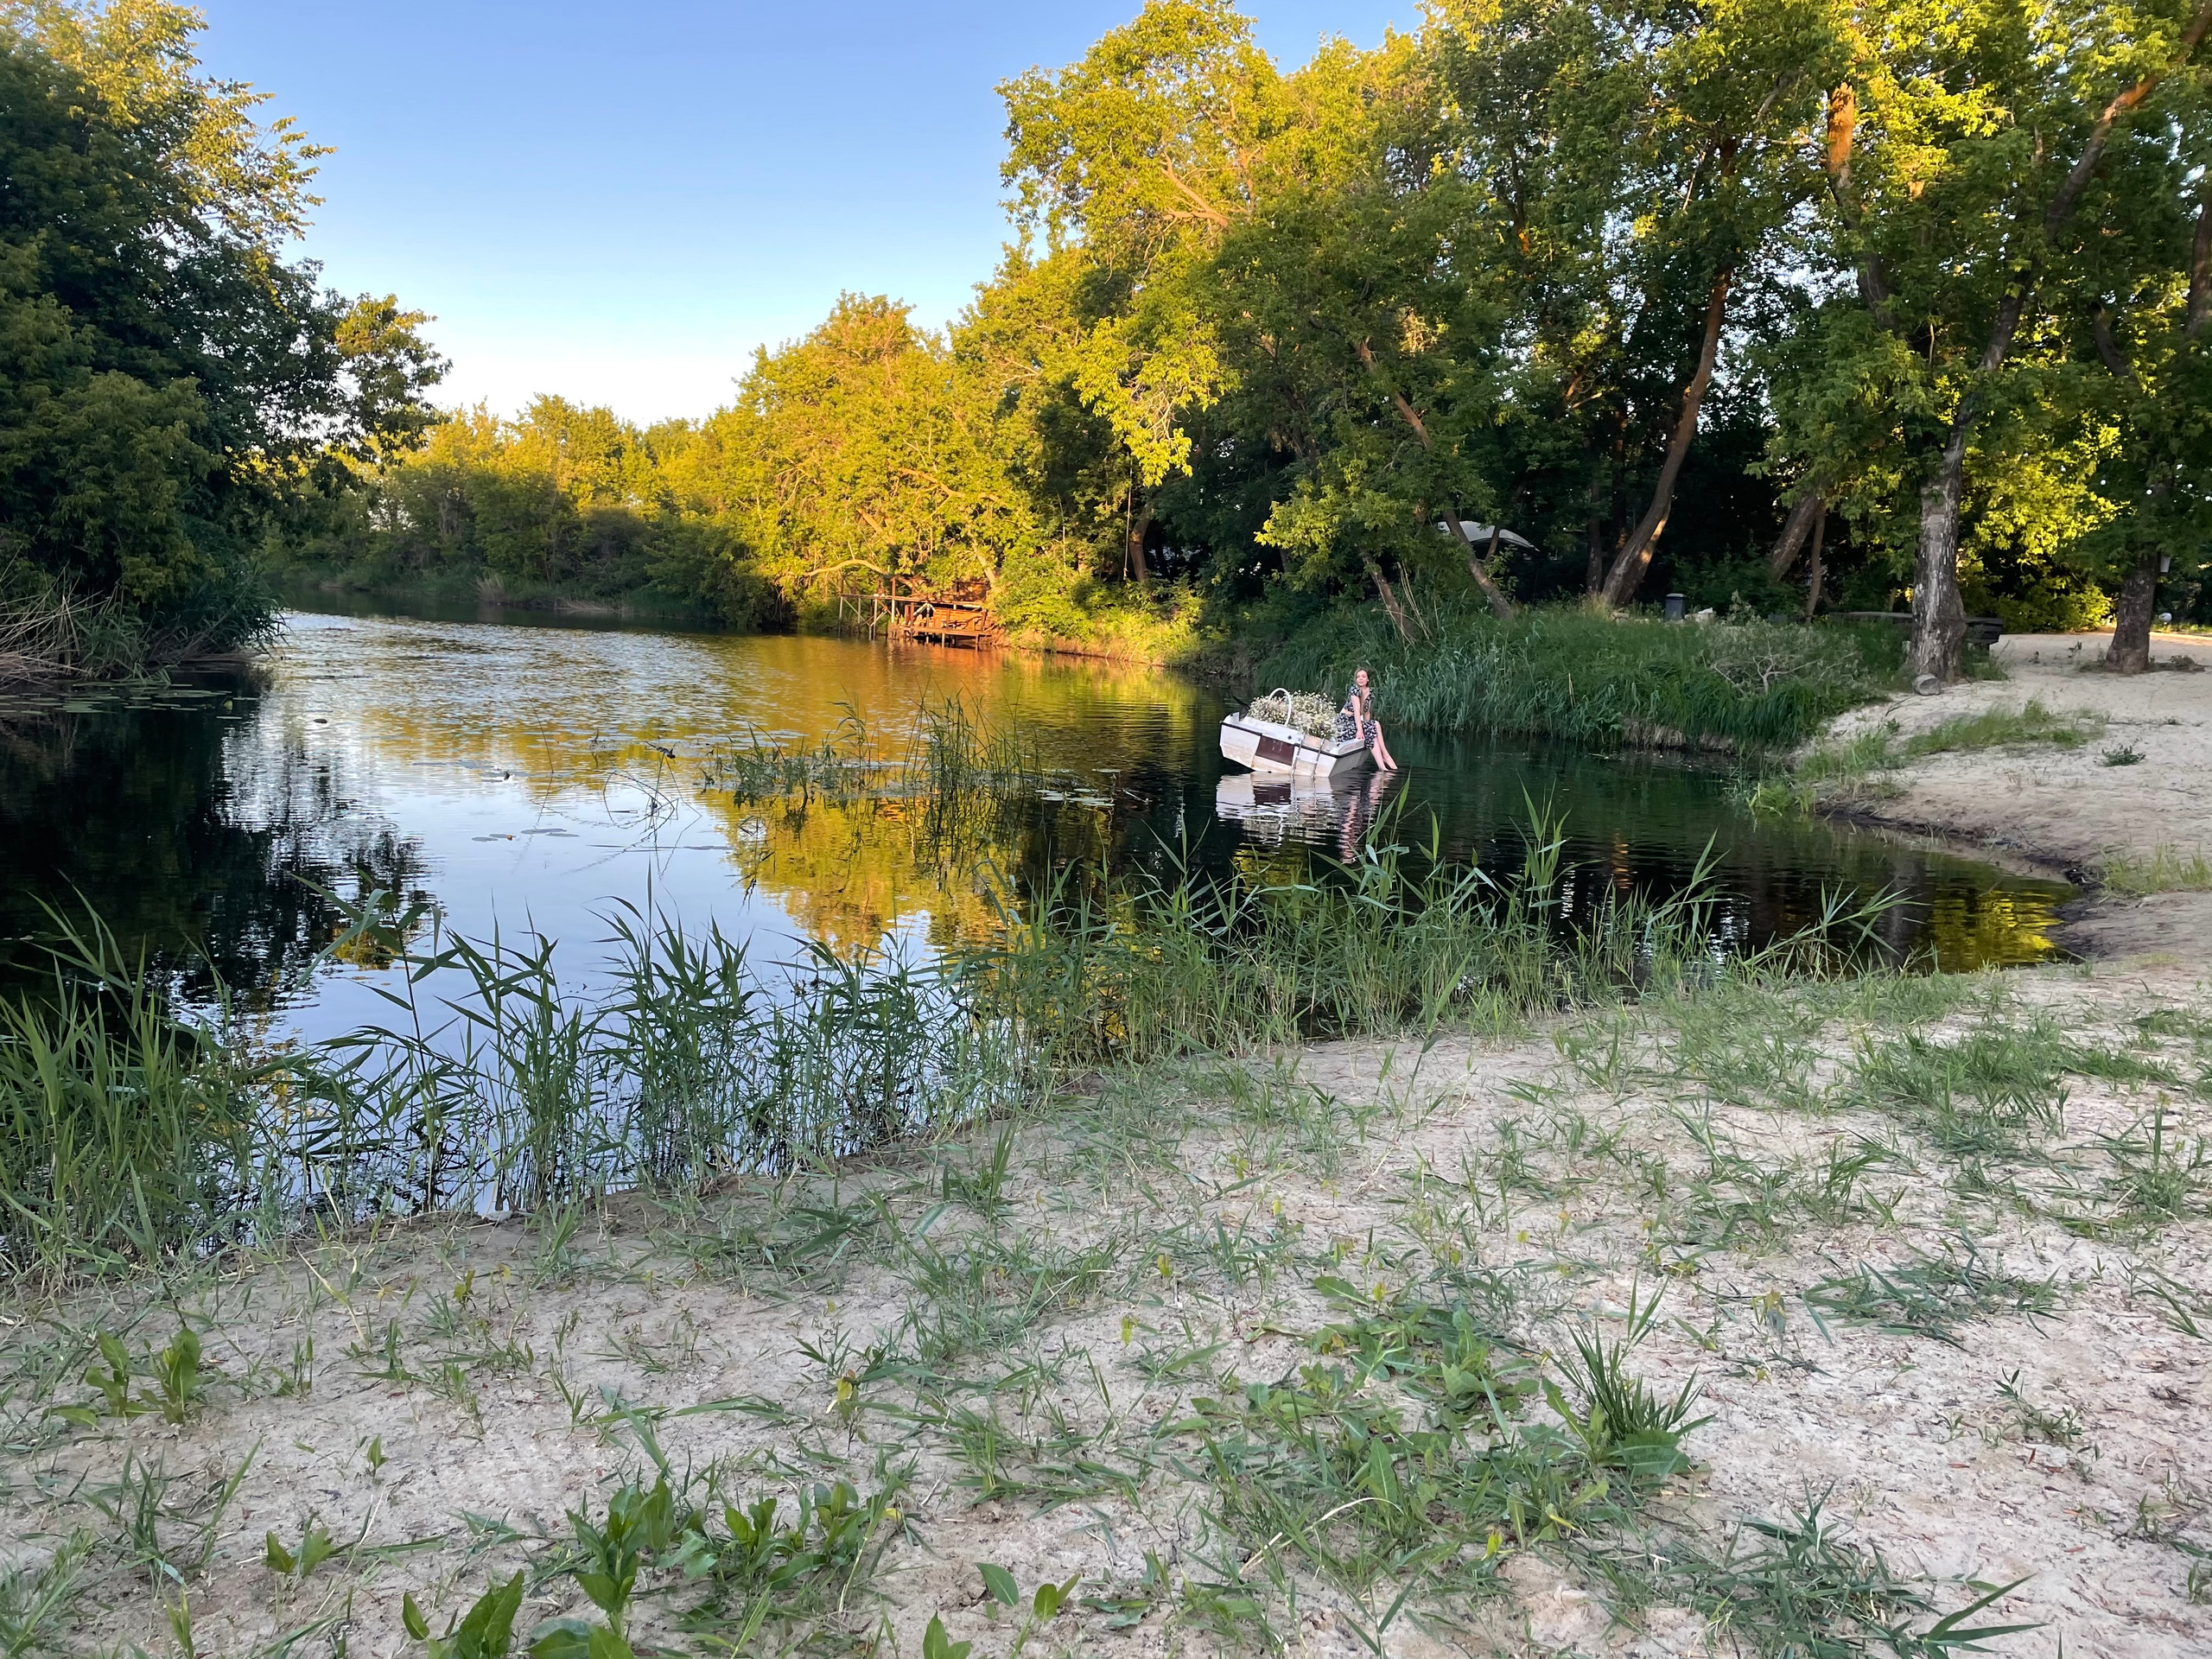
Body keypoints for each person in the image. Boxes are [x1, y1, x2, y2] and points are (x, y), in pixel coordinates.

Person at [1344, 666, 1398, 771]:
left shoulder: (1369, 692)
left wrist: (1368, 727)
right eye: (1358, 677)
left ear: (1368, 679)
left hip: (1356, 722)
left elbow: (1367, 712)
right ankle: (1385, 758)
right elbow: (1356, 711)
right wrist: (1360, 730)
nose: (1360, 678)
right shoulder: (1354, 690)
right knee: (1375, 724)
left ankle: (1383, 765)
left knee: (1373, 728)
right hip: (1345, 722)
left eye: (1363, 676)